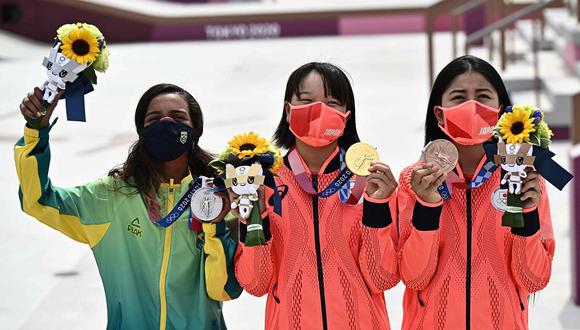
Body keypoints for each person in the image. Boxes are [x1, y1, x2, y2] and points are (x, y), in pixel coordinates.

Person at [15, 83, 242, 329]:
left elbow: (226, 290)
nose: (166, 124)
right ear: (141, 131)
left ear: (196, 128)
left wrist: (215, 226)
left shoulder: (221, 195)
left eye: (178, 117)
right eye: (154, 119)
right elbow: (37, 200)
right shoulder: (112, 196)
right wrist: (36, 130)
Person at [233, 62, 399, 329]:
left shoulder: (370, 181)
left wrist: (377, 206)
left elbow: (382, 278)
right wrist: (255, 215)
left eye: (332, 103)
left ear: (346, 115)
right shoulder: (263, 182)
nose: (319, 111)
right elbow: (256, 283)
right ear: (288, 110)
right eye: (307, 101)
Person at [397, 55, 554, 329]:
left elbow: (532, 280)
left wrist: (528, 215)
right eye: (459, 98)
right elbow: (414, 278)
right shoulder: (416, 180)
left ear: (502, 111)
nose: (472, 107)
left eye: (483, 97)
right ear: (439, 113)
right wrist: (427, 207)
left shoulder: (518, 178)